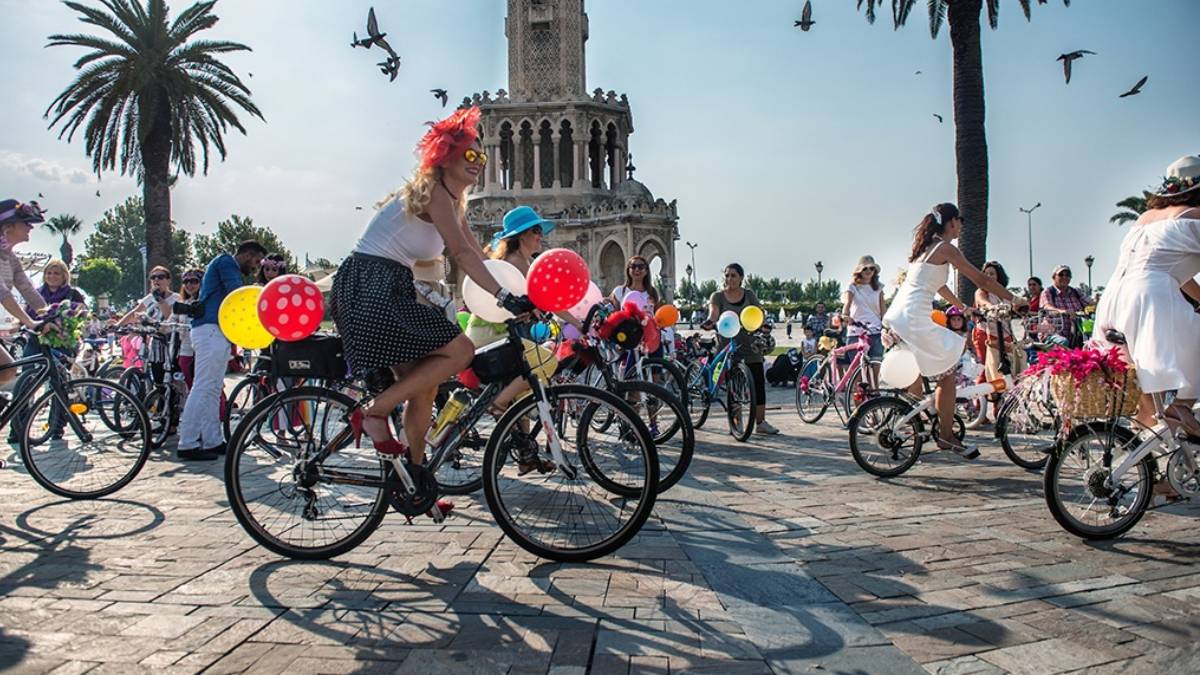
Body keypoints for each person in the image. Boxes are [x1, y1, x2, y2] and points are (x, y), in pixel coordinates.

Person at [331, 106, 534, 515]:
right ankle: (375, 412)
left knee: (423, 389)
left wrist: (516, 295)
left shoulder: (453, 202)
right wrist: (503, 296)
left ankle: (413, 485)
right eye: (470, 154)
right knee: (461, 351)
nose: (478, 162)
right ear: (446, 155)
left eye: (482, 156)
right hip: (370, 285)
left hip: (388, 285)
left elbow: (477, 253)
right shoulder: (434, 192)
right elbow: (461, 254)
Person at [882, 203, 1023, 458]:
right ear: (951, 222)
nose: (961, 226)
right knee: (948, 371)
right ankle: (946, 436)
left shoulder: (927, 249)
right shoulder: (946, 248)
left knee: (938, 368)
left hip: (902, 315)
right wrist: (1014, 299)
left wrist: (964, 307)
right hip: (915, 318)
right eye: (960, 221)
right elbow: (982, 279)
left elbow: (938, 286)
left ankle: (927, 415)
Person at [1095, 154, 1200, 438]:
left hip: (1116, 298)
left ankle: (1145, 454)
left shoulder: (1145, 218)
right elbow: (1163, 275)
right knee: (1193, 350)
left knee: (1147, 383)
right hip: (1151, 299)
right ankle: (1181, 407)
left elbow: (1174, 272)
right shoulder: (1193, 217)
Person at [176, 241, 267, 461]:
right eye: (256, 261)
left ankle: (212, 440)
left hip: (215, 331)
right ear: (247, 254)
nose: (255, 267)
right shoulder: (227, 263)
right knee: (204, 386)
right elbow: (238, 295)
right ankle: (187, 442)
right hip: (211, 330)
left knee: (213, 389)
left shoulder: (224, 264)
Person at [702, 263, 778, 435]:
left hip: (750, 344)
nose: (730, 279)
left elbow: (758, 312)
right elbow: (714, 313)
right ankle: (736, 423)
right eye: (727, 275)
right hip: (728, 345)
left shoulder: (749, 295)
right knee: (733, 385)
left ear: (741, 278)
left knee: (758, 382)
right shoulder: (718, 296)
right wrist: (710, 321)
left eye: (733, 275)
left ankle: (761, 422)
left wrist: (764, 324)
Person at [465, 205, 555, 348]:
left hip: (500, 332)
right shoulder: (516, 262)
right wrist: (577, 323)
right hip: (493, 334)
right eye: (536, 230)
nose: (541, 236)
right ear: (522, 235)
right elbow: (547, 299)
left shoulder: (525, 261)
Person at [0, 200, 50, 422]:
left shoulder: (9, 257)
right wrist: (30, 321)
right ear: (7, 226)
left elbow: (27, 288)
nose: (30, 227)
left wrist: (49, 315)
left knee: (8, 369)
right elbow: (3, 294)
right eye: (26, 223)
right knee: (7, 367)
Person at [840, 255, 886, 377]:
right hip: (856, 332)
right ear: (859, 270)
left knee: (875, 371)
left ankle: (874, 389)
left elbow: (883, 309)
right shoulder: (853, 287)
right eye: (865, 268)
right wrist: (845, 315)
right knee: (858, 373)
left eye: (871, 268)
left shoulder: (879, 287)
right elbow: (847, 305)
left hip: (875, 331)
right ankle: (856, 389)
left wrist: (887, 325)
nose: (868, 271)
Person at [1040, 265, 1088, 346]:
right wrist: (1063, 311)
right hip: (1051, 333)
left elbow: (1091, 303)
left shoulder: (1076, 291)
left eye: (1067, 275)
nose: (1064, 277)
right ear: (1054, 277)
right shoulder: (1048, 291)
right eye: (1061, 275)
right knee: (1063, 342)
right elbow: (1047, 307)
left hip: (1076, 333)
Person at [174, 269, 204, 389]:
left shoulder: (206, 301)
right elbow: (171, 320)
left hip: (203, 346)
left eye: (194, 281)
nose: (189, 285)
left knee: (207, 381)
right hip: (186, 346)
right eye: (186, 281)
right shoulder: (184, 302)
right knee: (187, 373)